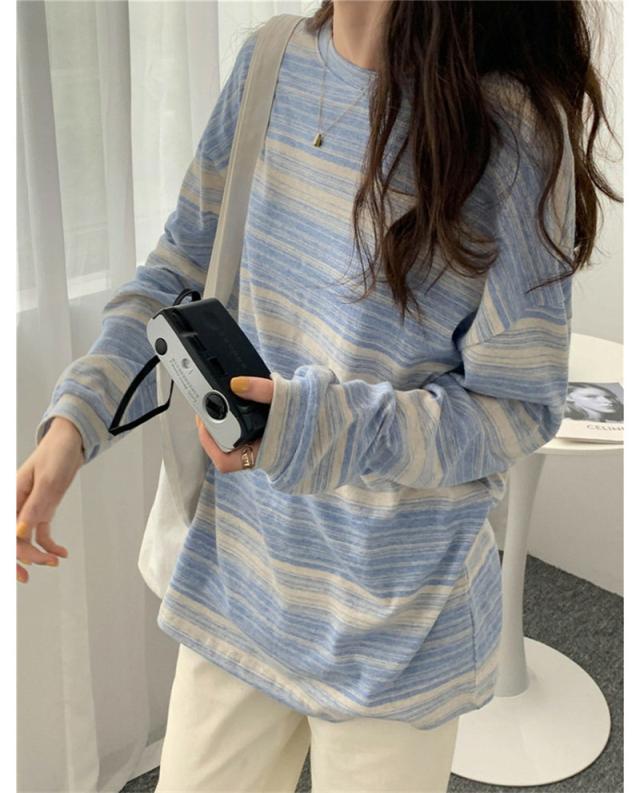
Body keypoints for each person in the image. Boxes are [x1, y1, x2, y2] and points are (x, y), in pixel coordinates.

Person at [16, 1, 622, 791]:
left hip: (394, 628)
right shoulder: (269, 64)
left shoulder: (511, 133)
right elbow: (177, 271)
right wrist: (77, 418)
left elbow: (516, 407)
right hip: (241, 583)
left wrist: (318, 427)